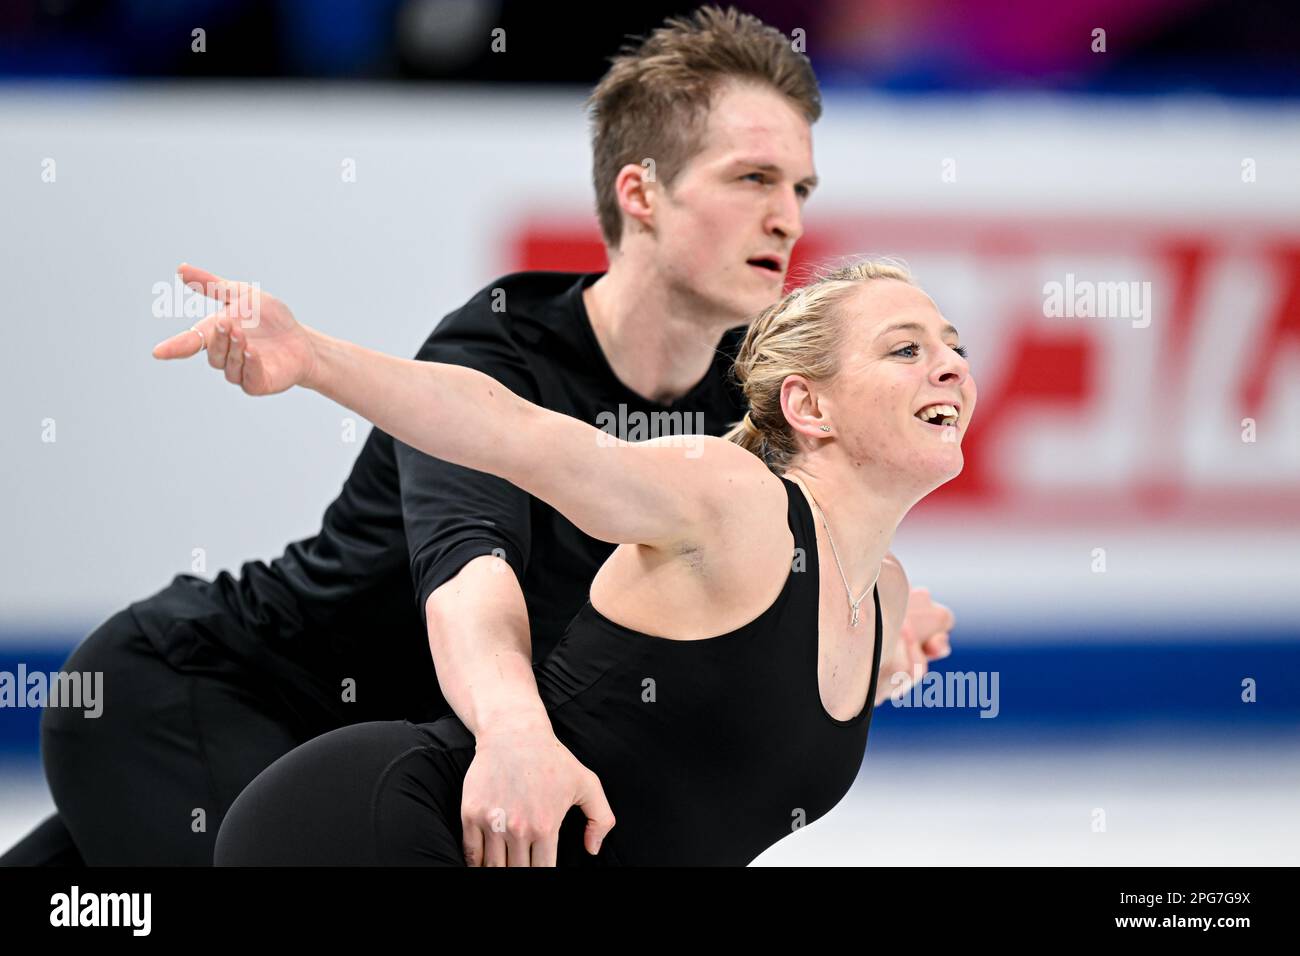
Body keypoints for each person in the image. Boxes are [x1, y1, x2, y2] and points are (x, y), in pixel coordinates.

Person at [0, 6, 952, 868]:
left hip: (379, 756)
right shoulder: (498, 348)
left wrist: (865, 605)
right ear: (642, 194)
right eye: (752, 178)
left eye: (799, 185)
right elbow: (471, 582)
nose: (787, 215)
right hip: (202, 698)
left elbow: (786, 545)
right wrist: (513, 732)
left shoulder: (739, 399)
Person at [150, 256, 976, 866]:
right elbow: (514, 431)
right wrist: (312, 356)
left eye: (954, 345)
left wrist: (892, 643)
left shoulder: (883, 599)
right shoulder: (737, 501)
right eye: (904, 349)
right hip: (379, 829)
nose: (950, 364)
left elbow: (760, 700)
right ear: (808, 405)